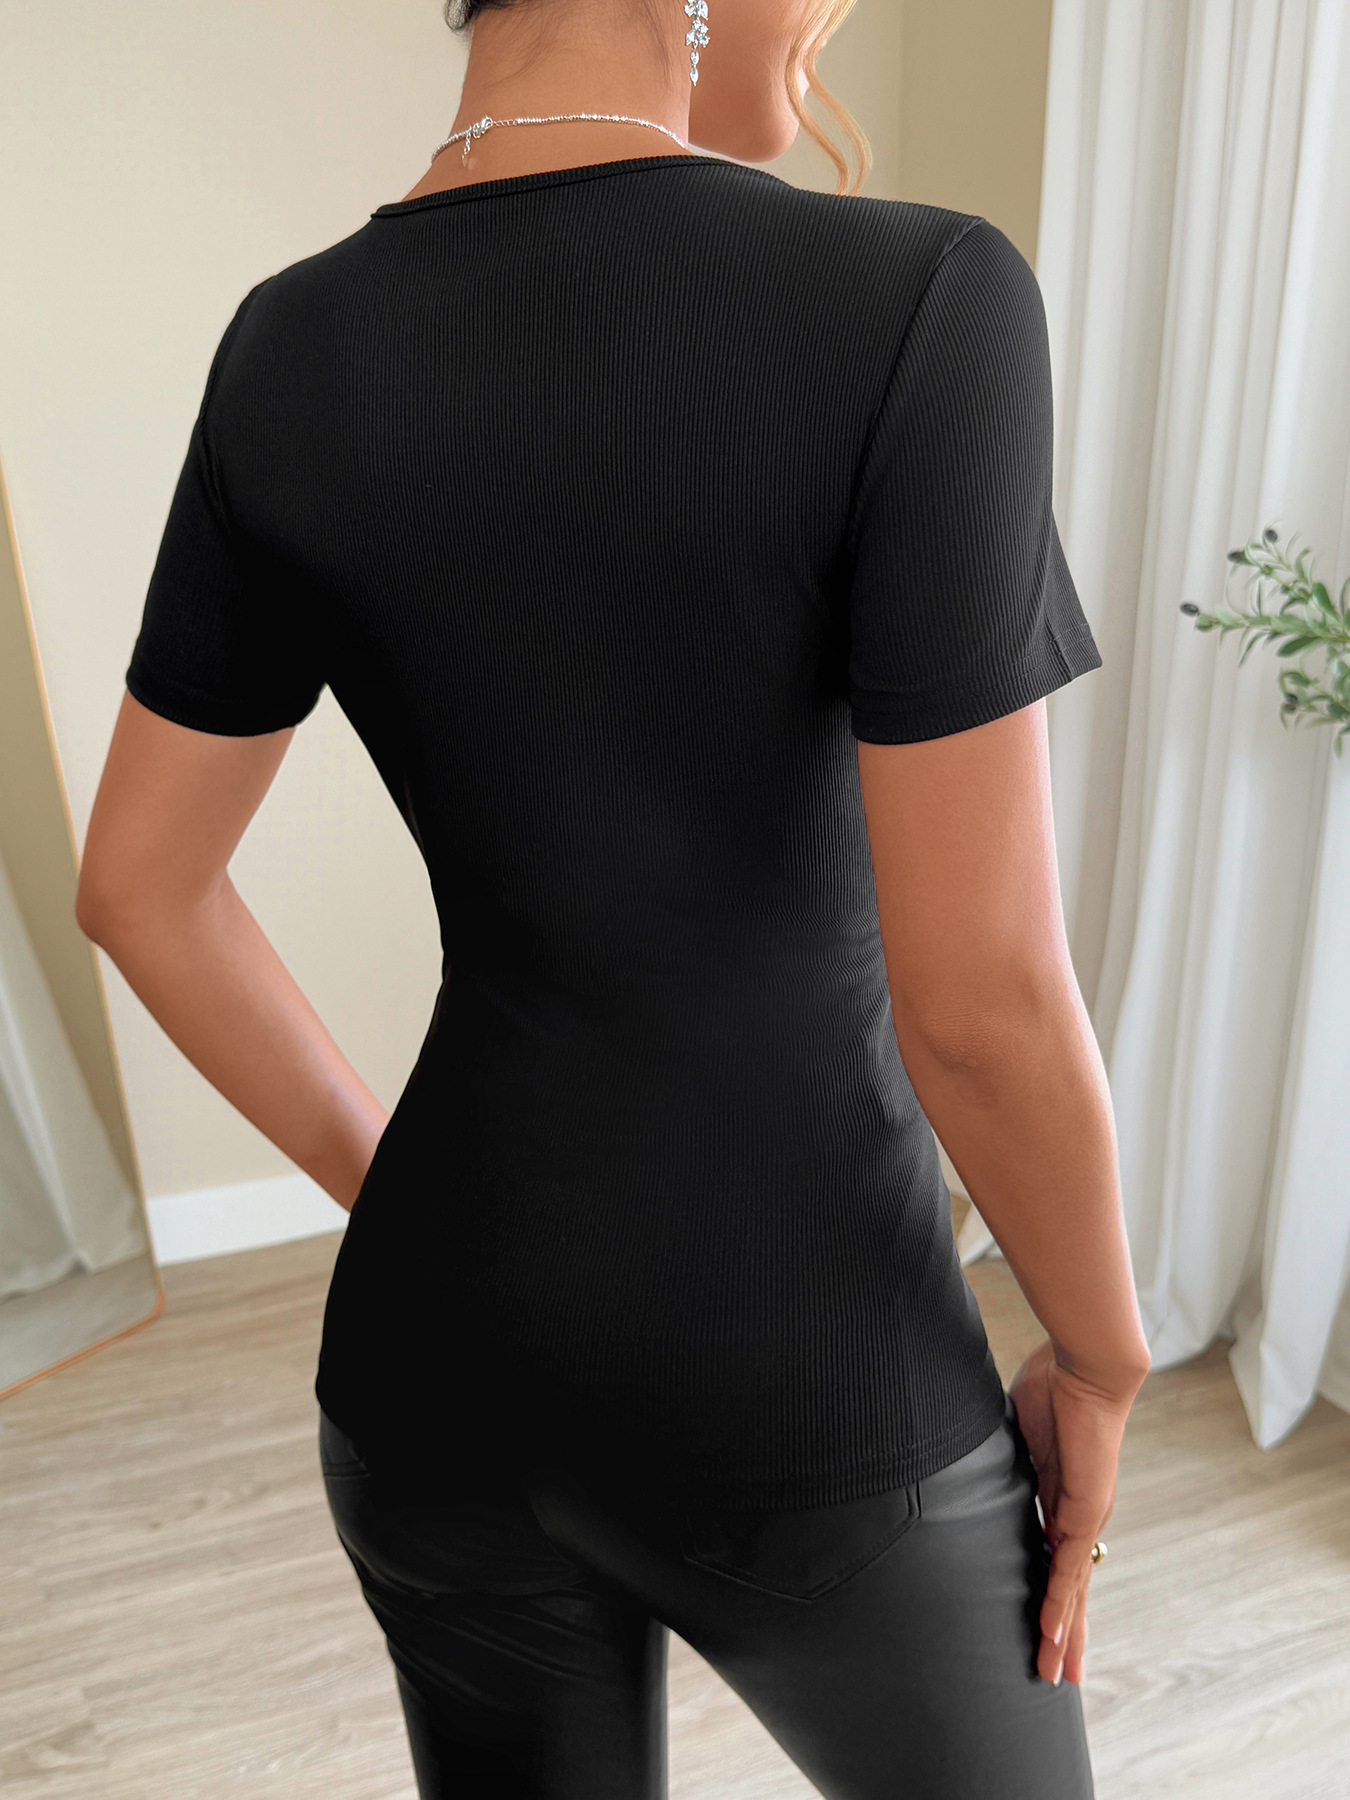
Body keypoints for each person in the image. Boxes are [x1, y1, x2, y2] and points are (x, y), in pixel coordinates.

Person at [75, 0, 1151, 1792]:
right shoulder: (923, 296)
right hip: (821, 1385)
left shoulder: (287, 343)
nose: (828, 25)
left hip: (436, 1366)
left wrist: (396, 1195)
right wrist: (1101, 1356)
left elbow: (136, 887)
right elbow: (979, 1003)